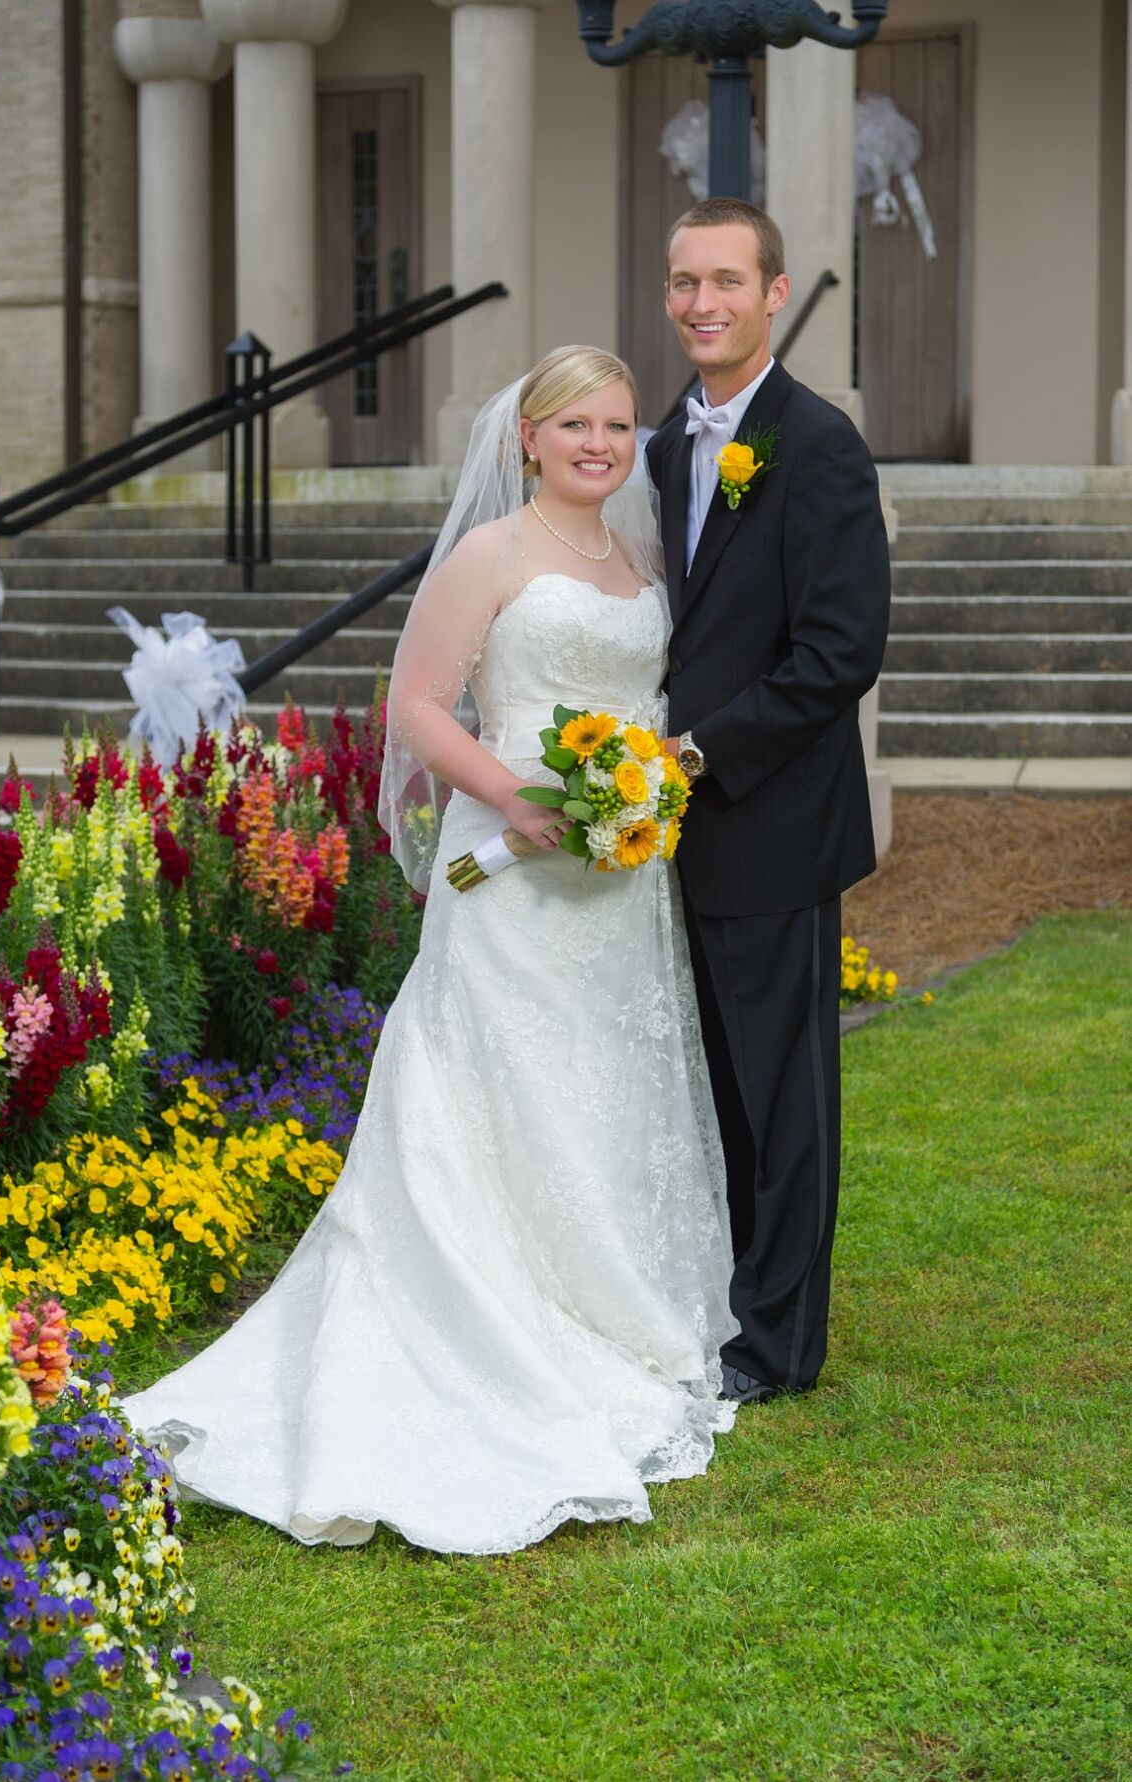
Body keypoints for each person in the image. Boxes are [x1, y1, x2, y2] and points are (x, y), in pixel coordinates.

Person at [120, 346, 739, 1557]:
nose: (600, 445)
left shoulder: (640, 559)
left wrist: (638, 793)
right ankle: (482, 1316)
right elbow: (414, 706)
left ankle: (605, 1302)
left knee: (603, 1082)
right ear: (527, 438)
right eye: (575, 425)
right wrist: (514, 797)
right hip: (509, 865)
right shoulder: (490, 555)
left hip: (617, 877)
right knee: (497, 1080)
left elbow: (653, 707)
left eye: (617, 426)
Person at [647, 198, 891, 1407]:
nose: (703, 304)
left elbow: (839, 654)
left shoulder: (820, 445)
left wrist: (693, 756)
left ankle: (779, 1343)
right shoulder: (662, 445)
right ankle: (727, 1296)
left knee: (783, 1097)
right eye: (685, 283)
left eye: (727, 282)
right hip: (662, 836)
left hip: (771, 824)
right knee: (713, 1091)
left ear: (775, 294)